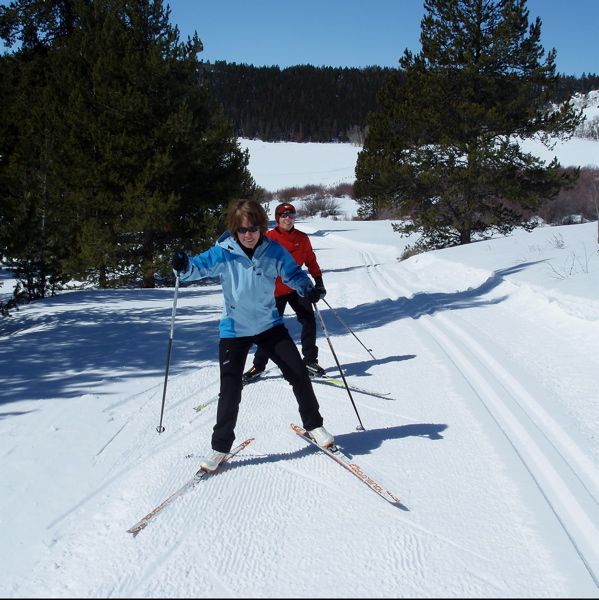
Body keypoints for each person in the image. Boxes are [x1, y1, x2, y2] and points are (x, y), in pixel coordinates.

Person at [171, 199, 334, 472]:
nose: (248, 235)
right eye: (242, 230)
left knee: (298, 373)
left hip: (269, 324)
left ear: (261, 227)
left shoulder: (274, 251)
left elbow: (292, 273)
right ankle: (220, 447)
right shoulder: (223, 252)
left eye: (253, 229)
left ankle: (314, 426)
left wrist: (307, 288)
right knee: (231, 390)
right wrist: (182, 265)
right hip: (234, 329)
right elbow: (194, 269)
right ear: (235, 231)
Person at [243, 202, 327, 383]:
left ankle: (310, 361)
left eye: (291, 215)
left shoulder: (302, 238)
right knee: (268, 328)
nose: (288, 219)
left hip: (297, 287)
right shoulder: (268, 238)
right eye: (284, 216)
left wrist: (318, 282)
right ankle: (258, 365)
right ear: (278, 219)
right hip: (274, 291)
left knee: (308, 320)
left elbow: (311, 260)